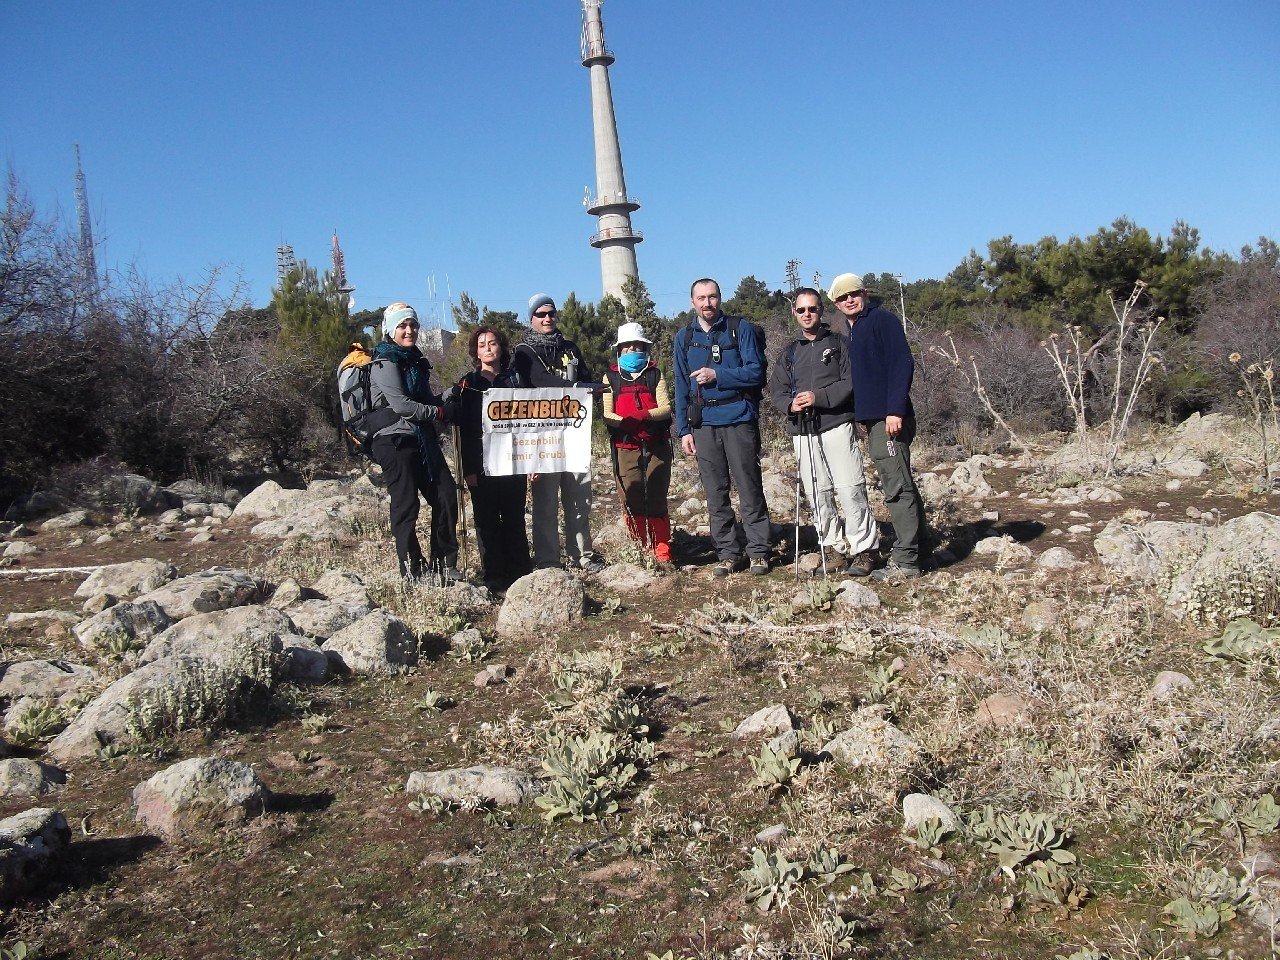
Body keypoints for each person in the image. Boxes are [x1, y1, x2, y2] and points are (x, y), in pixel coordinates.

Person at [769, 287, 878, 576]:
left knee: (850, 488)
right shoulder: (789, 353)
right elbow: (776, 390)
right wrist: (790, 405)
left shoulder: (840, 344)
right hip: (803, 431)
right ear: (794, 313)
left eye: (812, 309)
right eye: (801, 310)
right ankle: (833, 548)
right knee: (819, 493)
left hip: (837, 424)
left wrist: (819, 397)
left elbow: (850, 382)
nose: (807, 314)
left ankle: (864, 549)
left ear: (821, 311)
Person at [828, 273, 926, 580]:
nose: (849, 300)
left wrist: (895, 409)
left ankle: (906, 561)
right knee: (900, 480)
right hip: (875, 419)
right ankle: (919, 547)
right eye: (842, 297)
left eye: (854, 294)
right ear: (836, 303)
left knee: (896, 486)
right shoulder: (852, 329)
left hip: (890, 418)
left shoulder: (882, 320)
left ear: (865, 293)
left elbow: (902, 362)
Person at [673, 278, 772, 576]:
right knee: (715, 492)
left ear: (720, 298)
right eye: (701, 298)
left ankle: (758, 552)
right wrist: (684, 430)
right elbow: (681, 384)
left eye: (712, 297)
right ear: (692, 302)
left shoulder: (739, 329)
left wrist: (718, 375)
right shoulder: (684, 337)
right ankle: (728, 553)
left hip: (739, 418)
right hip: (703, 424)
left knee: (749, 486)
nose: (707, 303)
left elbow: (757, 373)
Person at [512, 293, 605, 574]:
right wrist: (577, 387)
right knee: (546, 503)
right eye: (541, 314)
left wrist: (592, 389)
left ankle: (583, 557)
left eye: (551, 313)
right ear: (532, 319)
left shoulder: (571, 348)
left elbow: (587, 378)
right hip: (543, 438)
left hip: (574, 435)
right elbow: (539, 381)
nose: (547, 318)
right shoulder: (523, 351)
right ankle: (548, 561)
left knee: (579, 499)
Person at [368, 302, 461, 582]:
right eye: (402, 325)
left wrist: (451, 393)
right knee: (406, 503)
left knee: (445, 495)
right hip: (394, 441)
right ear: (390, 330)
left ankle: (444, 563)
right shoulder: (384, 361)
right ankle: (412, 568)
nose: (409, 331)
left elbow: (425, 402)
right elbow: (403, 406)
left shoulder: (416, 361)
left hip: (421, 438)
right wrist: (440, 412)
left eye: (413, 325)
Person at [455, 325, 532, 591]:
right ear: (475, 351)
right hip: (482, 465)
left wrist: (532, 461)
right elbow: (465, 429)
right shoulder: (468, 384)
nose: (488, 348)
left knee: (514, 518)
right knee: (486, 521)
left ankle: (521, 572)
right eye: (482, 344)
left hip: (513, 462)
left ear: (501, 347)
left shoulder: (516, 381)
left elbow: (530, 423)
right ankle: (494, 576)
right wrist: (469, 468)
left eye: (493, 343)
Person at [603, 321, 674, 569]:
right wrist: (626, 423)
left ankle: (662, 552)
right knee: (631, 498)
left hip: (657, 444)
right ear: (619, 350)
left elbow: (666, 408)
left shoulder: (655, 374)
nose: (633, 350)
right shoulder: (610, 377)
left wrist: (646, 417)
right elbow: (607, 413)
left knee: (657, 498)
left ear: (645, 348)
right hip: (625, 445)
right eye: (627, 347)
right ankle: (640, 550)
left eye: (638, 346)